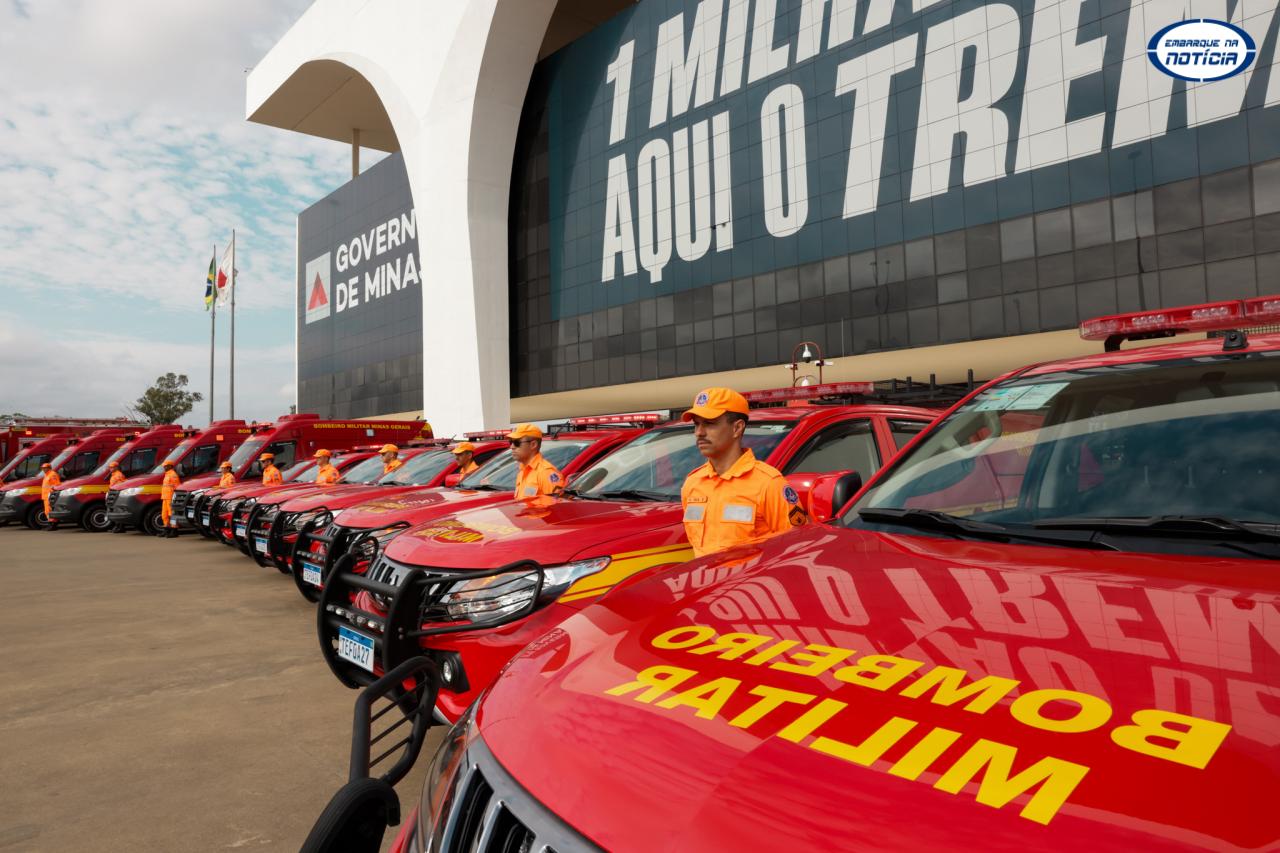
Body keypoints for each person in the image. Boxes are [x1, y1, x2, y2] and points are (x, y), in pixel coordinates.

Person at [680, 387, 807, 558]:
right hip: (707, 583)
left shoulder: (769, 483)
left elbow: (798, 548)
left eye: (709, 423)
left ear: (737, 428)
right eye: (696, 424)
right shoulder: (693, 483)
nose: (699, 432)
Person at [507, 424, 562, 499]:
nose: (512, 447)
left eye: (517, 442)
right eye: (511, 442)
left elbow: (556, 507)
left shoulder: (546, 473)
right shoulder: (522, 471)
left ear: (533, 444)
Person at [160, 459, 181, 537]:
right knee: (164, 514)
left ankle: (174, 531)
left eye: (165, 466)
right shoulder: (167, 474)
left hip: (170, 497)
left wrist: (175, 497)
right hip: (165, 497)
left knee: (172, 514)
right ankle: (166, 529)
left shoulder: (173, 474)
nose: (164, 467)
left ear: (170, 466)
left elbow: (177, 487)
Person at [40, 462, 62, 530]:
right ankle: (50, 524)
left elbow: (57, 485)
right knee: (47, 511)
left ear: (49, 468)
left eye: (45, 468)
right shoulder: (47, 475)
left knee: (50, 510)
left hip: (50, 496)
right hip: (46, 496)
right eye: (43, 468)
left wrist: (52, 494)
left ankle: (53, 525)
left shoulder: (52, 475)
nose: (43, 469)